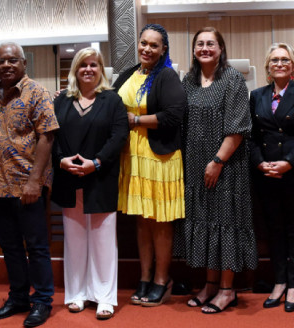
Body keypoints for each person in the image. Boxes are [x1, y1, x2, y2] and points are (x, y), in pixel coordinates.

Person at [175, 27, 257, 314]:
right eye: (200, 44)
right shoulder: (188, 81)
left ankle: (227, 289)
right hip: (195, 167)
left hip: (226, 167)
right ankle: (210, 285)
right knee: (207, 223)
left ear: (221, 49)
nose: (205, 48)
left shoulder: (233, 79)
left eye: (211, 43)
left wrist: (217, 162)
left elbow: (238, 129)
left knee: (226, 223)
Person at [0, 42, 59, 328]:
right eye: (1, 61)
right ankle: (17, 297)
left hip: (28, 185)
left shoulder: (37, 93)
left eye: (13, 60)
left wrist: (35, 181)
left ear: (24, 64)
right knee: (10, 246)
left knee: (37, 246)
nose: (6, 66)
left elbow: (47, 137)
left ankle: (42, 301)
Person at [50, 47, 128, 320]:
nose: (88, 69)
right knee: (74, 241)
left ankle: (104, 297)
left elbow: (119, 137)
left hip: (101, 179)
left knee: (103, 240)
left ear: (101, 69)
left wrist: (95, 163)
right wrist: (61, 161)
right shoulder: (60, 101)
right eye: (83, 65)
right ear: (75, 70)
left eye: (94, 65)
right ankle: (77, 294)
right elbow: (52, 137)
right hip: (68, 179)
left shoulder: (112, 100)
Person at [112, 23, 186, 307]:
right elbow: (109, 103)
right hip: (131, 155)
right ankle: (144, 277)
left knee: (160, 223)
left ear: (163, 49)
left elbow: (173, 115)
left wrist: (135, 121)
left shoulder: (166, 76)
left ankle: (161, 279)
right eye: (144, 43)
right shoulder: (128, 74)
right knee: (141, 221)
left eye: (154, 45)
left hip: (160, 157)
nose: (147, 49)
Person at [250, 43, 294, 313]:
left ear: (293, 67)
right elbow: (252, 136)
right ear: (268, 66)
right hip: (266, 174)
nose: (280, 64)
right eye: (274, 60)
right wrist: (259, 164)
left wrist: (288, 163)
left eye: (285, 60)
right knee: (274, 230)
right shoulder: (256, 96)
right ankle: (278, 282)